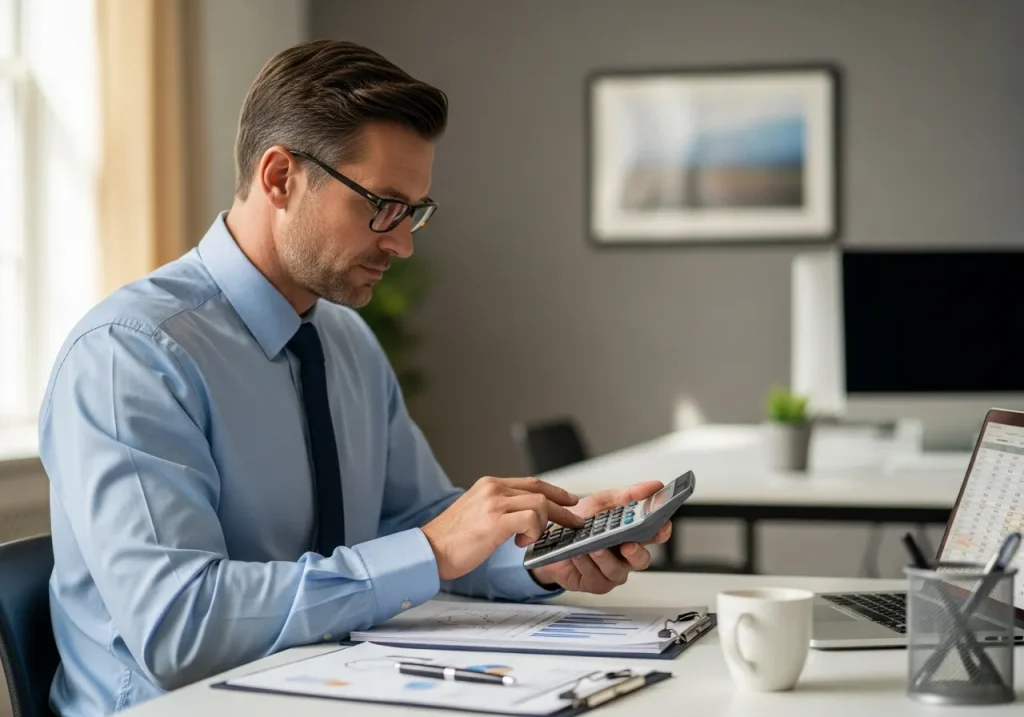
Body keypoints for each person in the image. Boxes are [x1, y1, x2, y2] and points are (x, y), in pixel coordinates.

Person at [39, 40, 672, 716]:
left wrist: (540, 552)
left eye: (415, 212)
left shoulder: (342, 337)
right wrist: (431, 548)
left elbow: (411, 521)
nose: (402, 244)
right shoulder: (130, 356)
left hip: (331, 689)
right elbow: (181, 626)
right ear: (280, 177)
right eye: (383, 204)